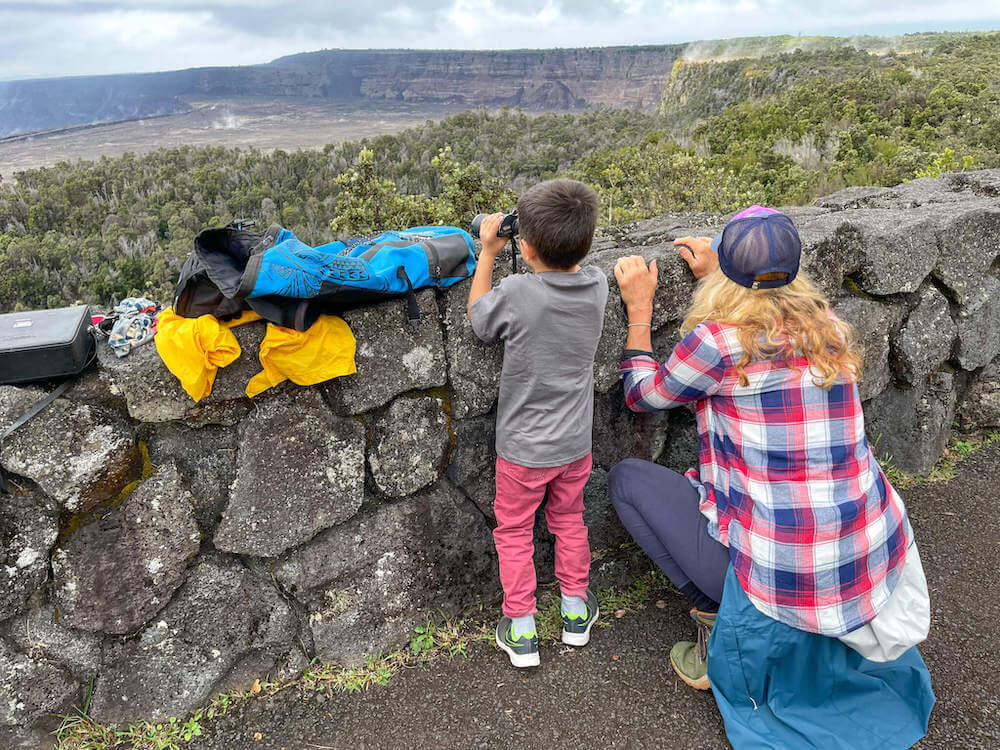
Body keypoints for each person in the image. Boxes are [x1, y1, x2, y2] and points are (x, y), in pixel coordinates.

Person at [609, 206, 934, 748]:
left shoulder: (717, 343)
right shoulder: (826, 327)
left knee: (626, 481)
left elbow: (644, 396)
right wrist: (725, 274)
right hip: (863, 554)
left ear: (729, 273)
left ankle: (719, 618)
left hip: (776, 570)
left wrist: (639, 312)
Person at [468, 178, 608, 668]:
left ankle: (522, 626)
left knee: (514, 529)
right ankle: (574, 612)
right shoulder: (598, 286)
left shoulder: (518, 292)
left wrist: (488, 252)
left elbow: (480, 322)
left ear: (524, 247)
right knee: (569, 520)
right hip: (574, 444)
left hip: (522, 449)